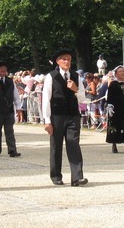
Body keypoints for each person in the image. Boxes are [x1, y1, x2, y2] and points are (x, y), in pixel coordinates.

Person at [42, 49, 88, 187]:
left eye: (68, 59)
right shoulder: (51, 76)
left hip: (73, 115)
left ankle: (77, 177)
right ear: (58, 61)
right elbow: (46, 99)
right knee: (56, 145)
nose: (67, 61)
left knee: (73, 143)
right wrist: (47, 120)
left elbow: (82, 98)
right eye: (64, 59)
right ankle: (56, 175)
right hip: (57, 115)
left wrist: (76, 89)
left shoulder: (75, 76)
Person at [105, 65, 124, 153]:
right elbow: (110, 96)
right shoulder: (113, 84)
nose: (122, 73)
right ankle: (114, 145)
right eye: (120, 72)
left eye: (123, 71)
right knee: (115, 126)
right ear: (116, 74)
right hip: (116, 108)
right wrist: (109, 106)